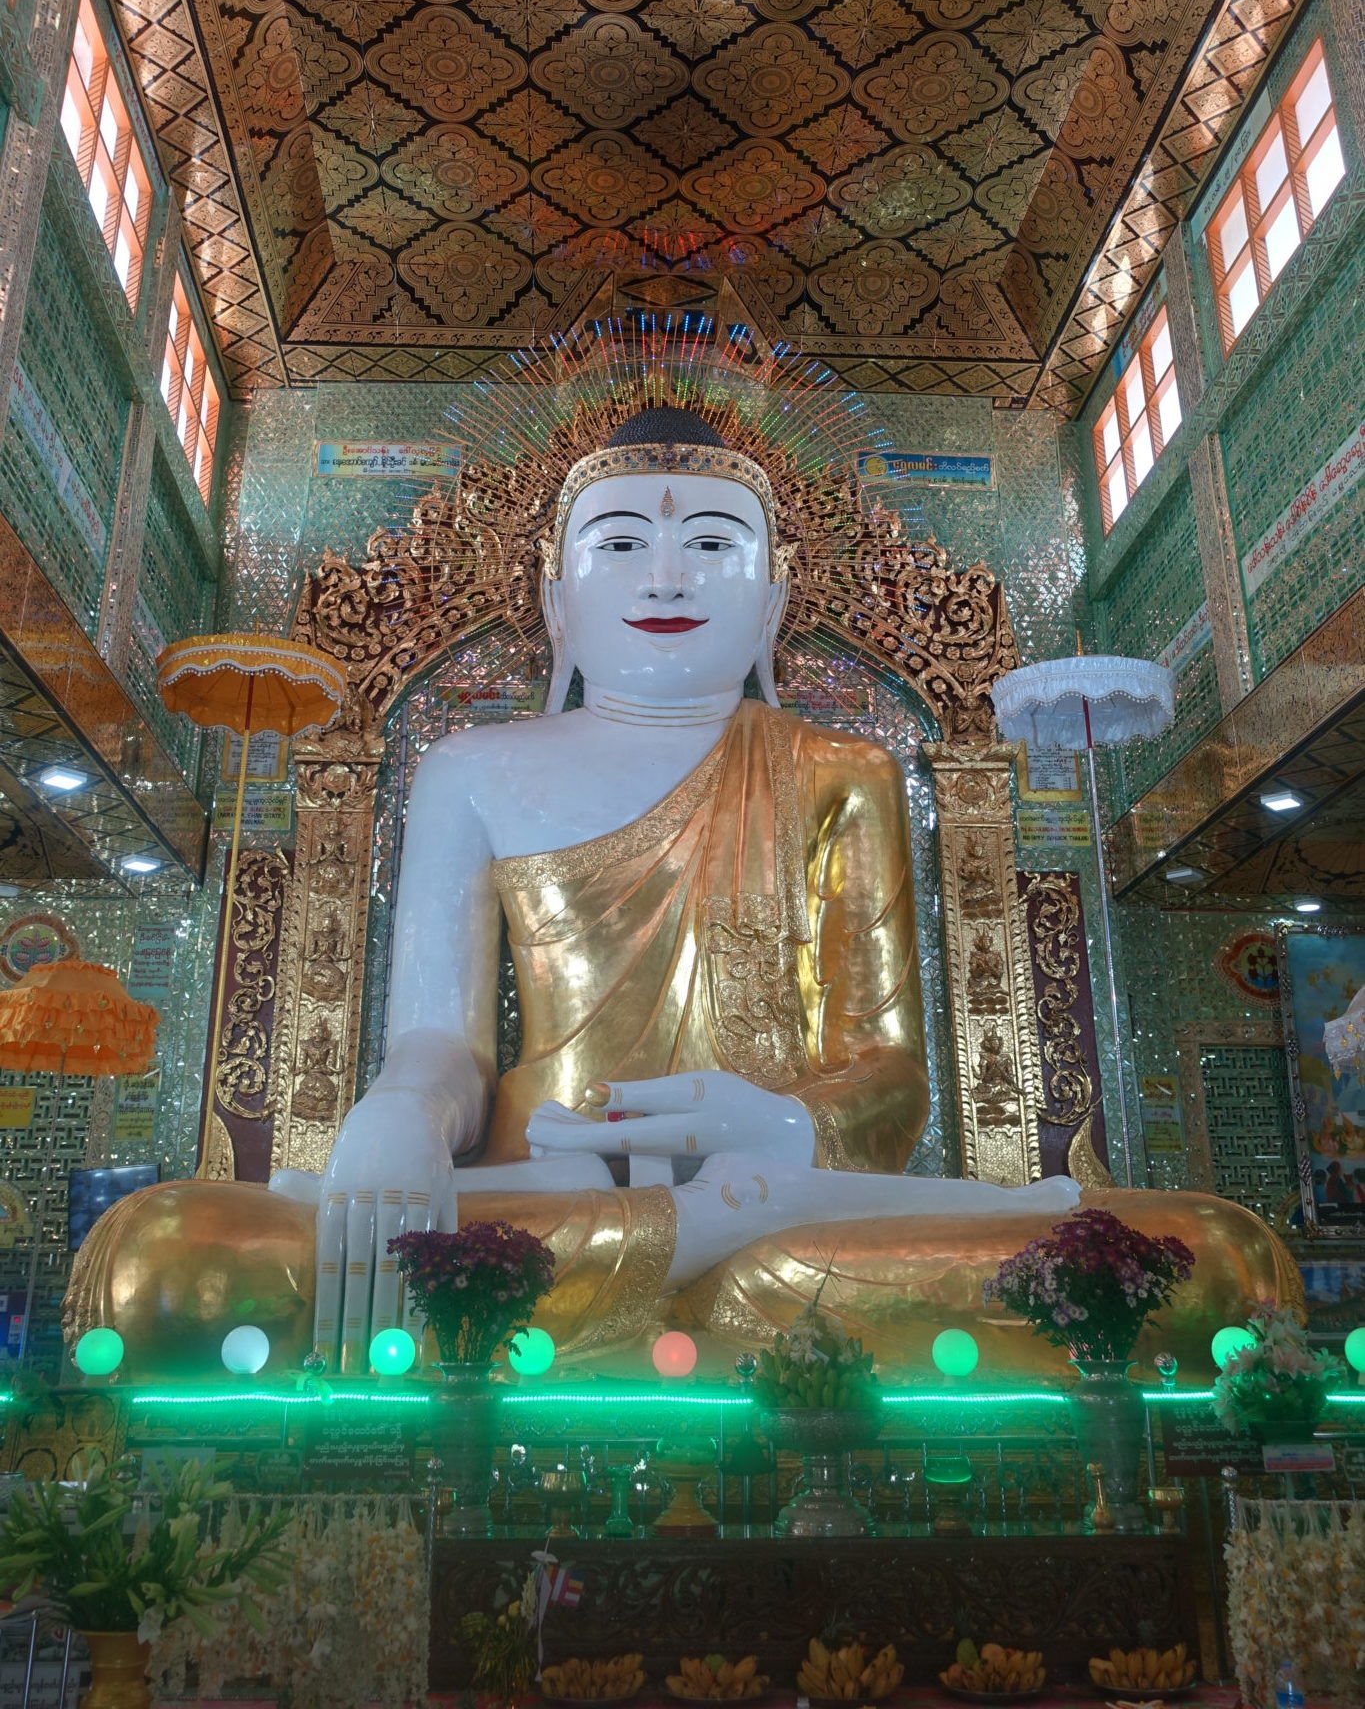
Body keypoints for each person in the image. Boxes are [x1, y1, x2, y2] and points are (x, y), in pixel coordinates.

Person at [67, 408, 1299, 1377]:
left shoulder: (842, 769)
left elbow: (887, 1070)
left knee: (1211, 1258)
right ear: (556, 597)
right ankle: (708, 1240)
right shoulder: (472, 770)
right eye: (620, 543)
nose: (667, 573)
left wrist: (777, 1128)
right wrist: (399, 1110)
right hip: (536, 1195)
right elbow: (444, 1044)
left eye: (712, 543)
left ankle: (709, 1235)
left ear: (773, 601)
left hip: (796, 1216)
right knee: (171, 1261)